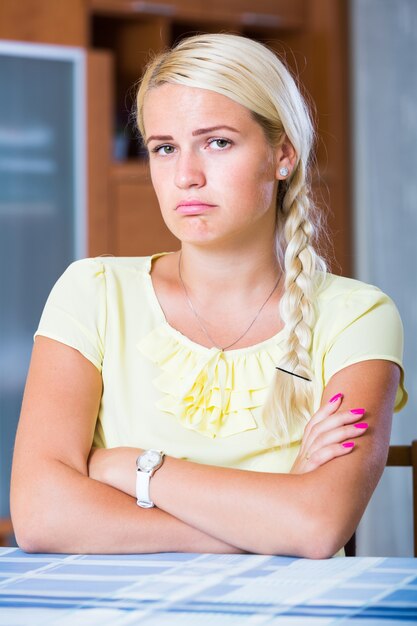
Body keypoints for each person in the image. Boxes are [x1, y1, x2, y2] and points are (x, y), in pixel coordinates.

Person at [11, 33, 407, 558]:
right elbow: (40, 515)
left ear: (283, 154)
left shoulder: (357, 317)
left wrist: (131, 468)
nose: (185, 176)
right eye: (165, 148)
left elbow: (317, 525)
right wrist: (265, 524)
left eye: (218, 142)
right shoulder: (92, 292)